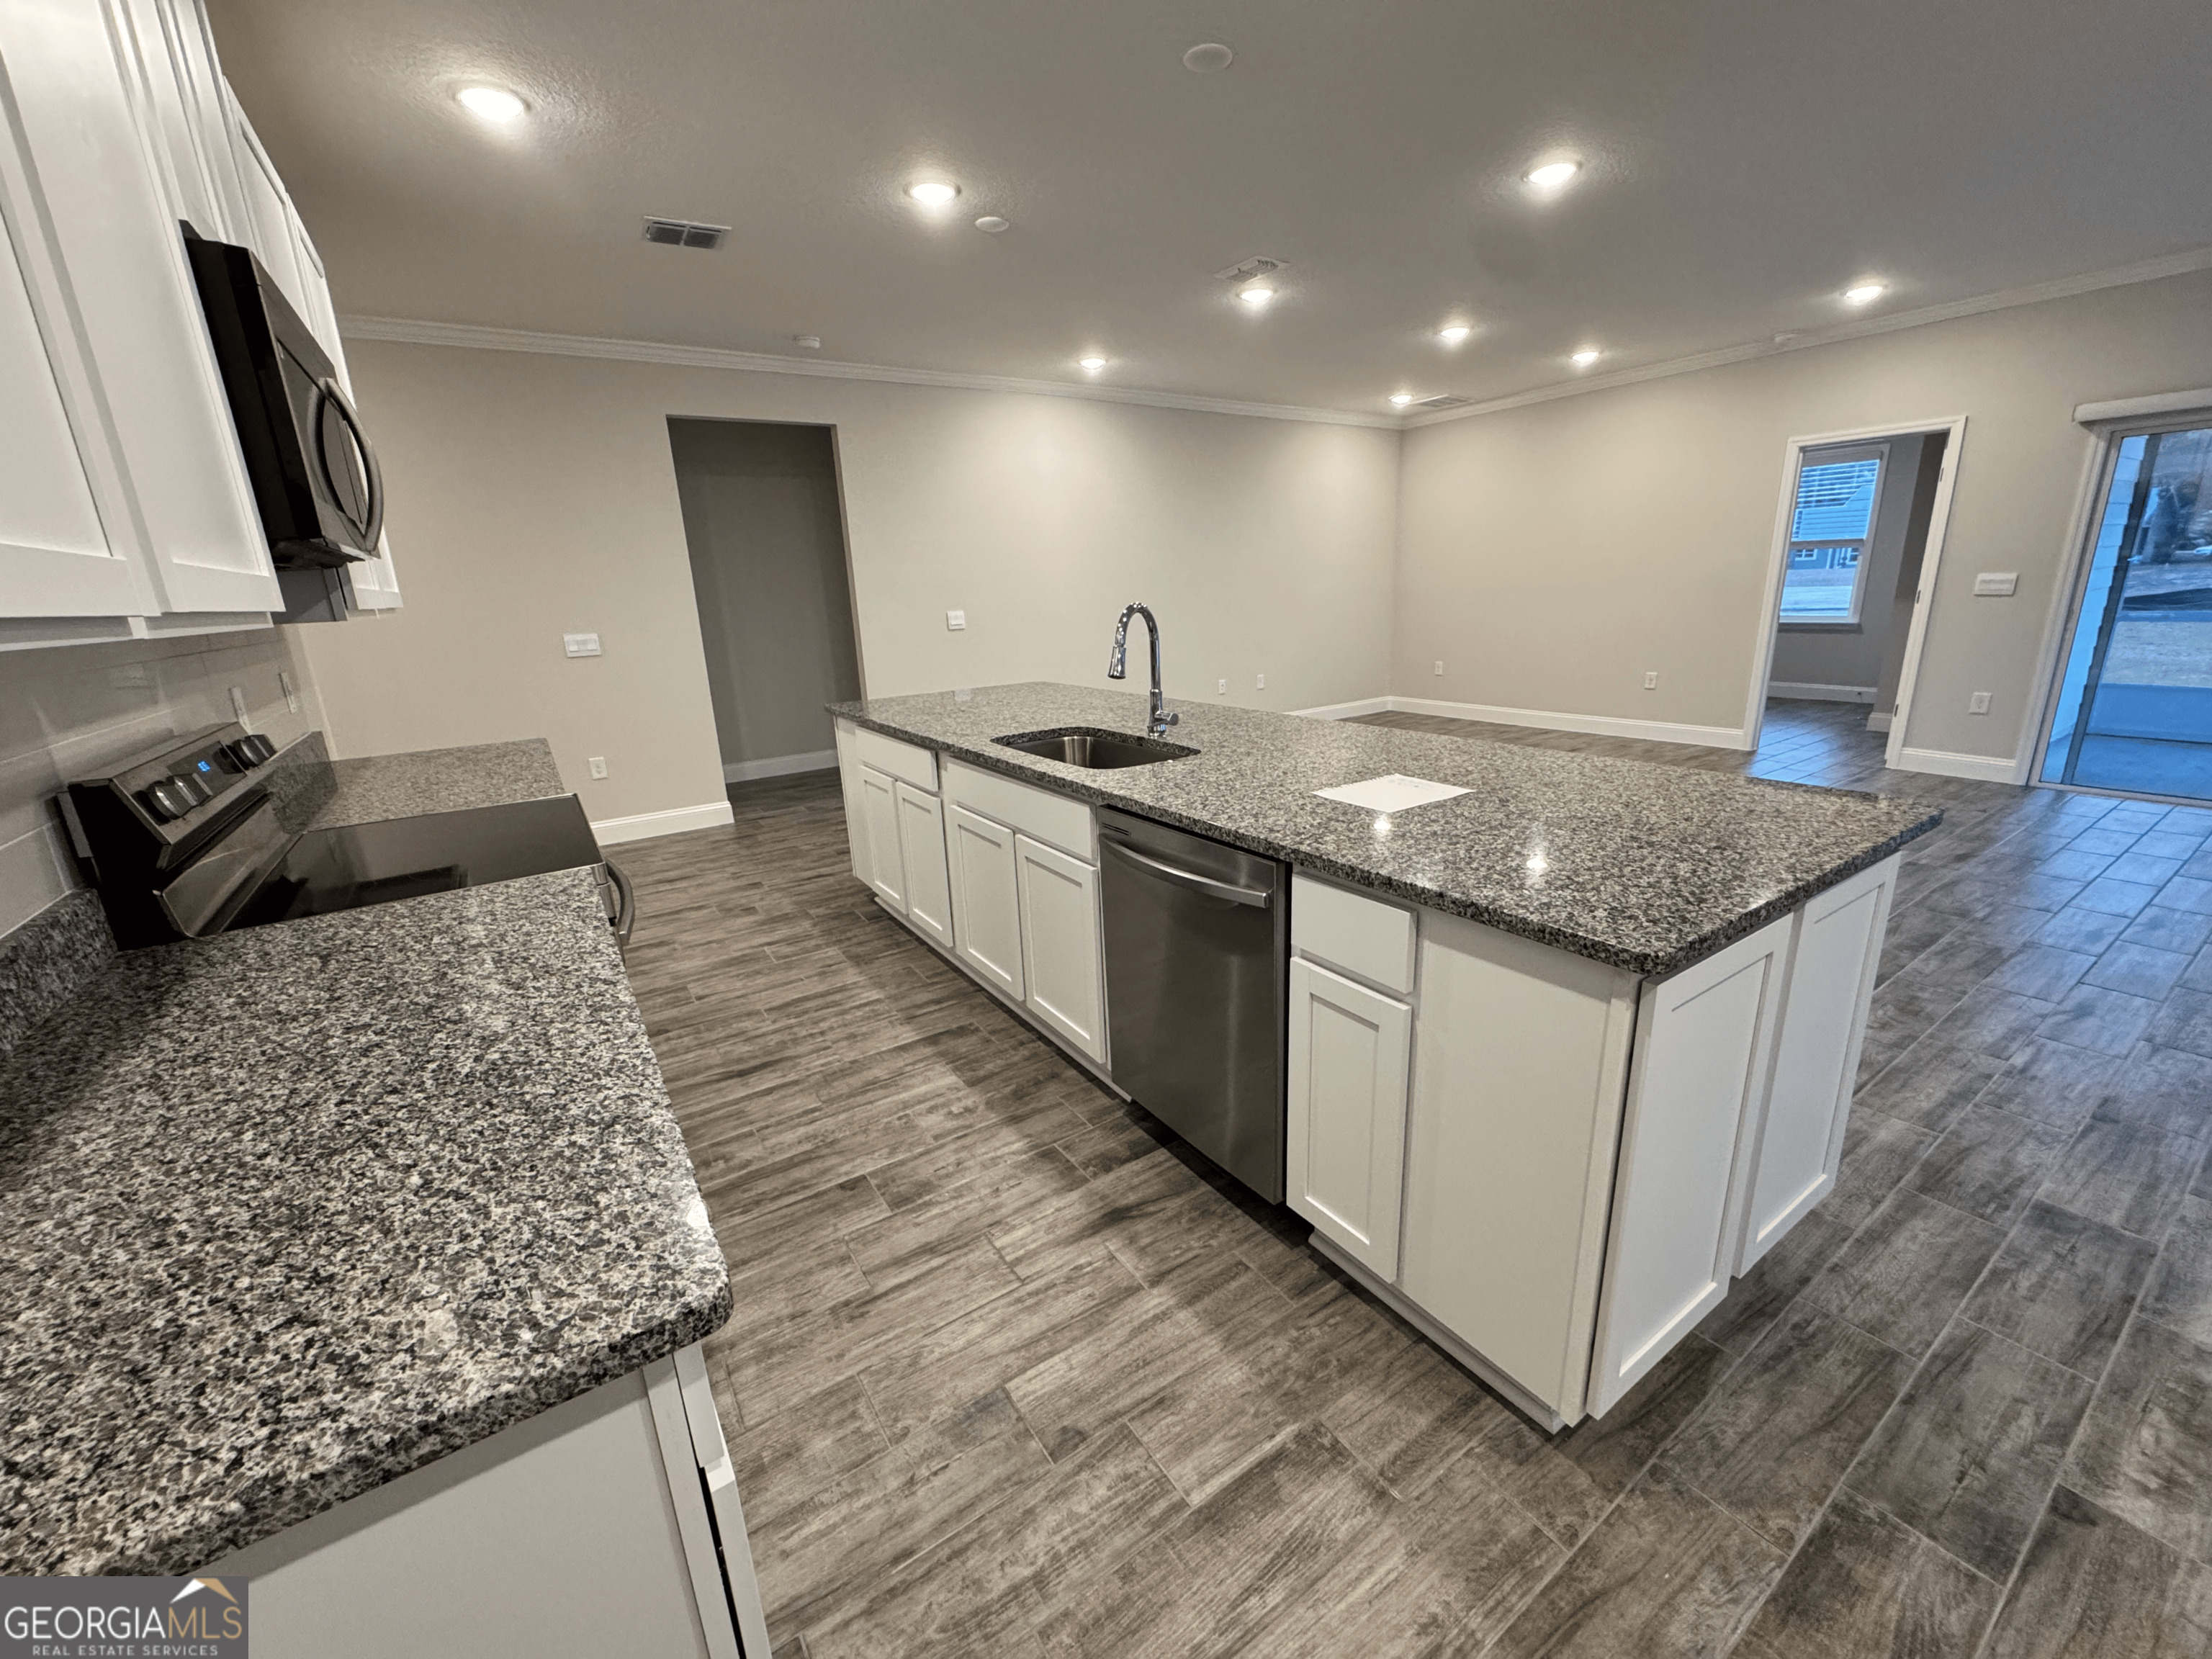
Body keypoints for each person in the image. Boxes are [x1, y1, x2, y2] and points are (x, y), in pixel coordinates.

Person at [2143, 475, 2203, 562]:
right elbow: (2151, 524)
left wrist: (2194, 543)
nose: (2189, 490)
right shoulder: (2167, 505)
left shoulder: (2201, 511)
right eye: (2185, 487)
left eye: (2193, 487)